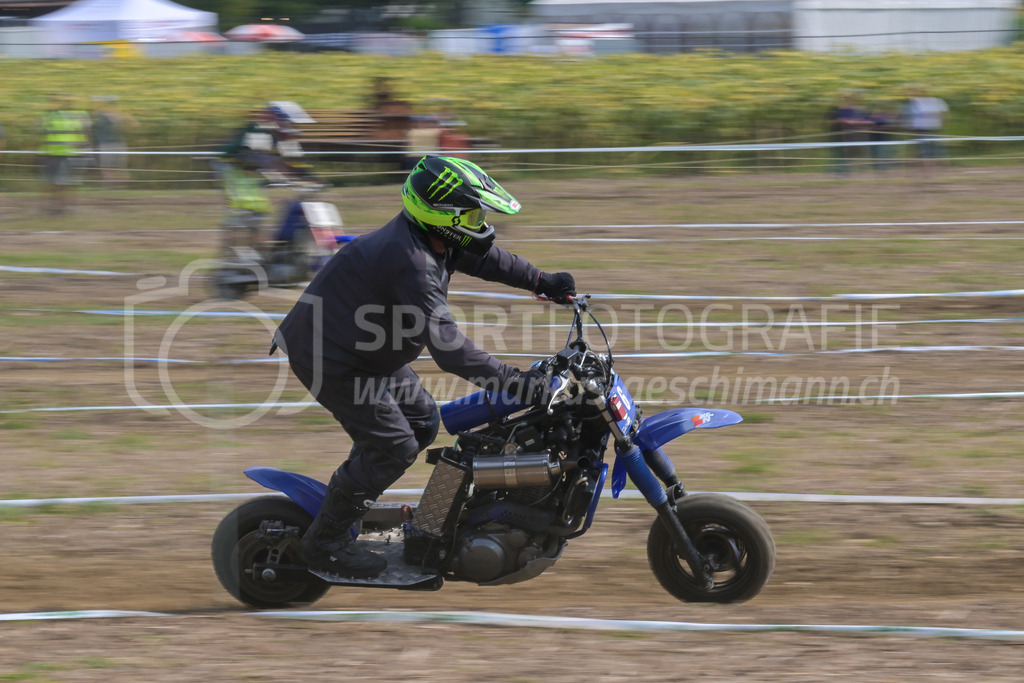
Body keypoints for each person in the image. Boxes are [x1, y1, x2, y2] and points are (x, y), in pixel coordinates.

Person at [272, 155, 577, 579]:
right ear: (441, 216)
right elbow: (450, 349)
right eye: (471, 213)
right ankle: (326, 543)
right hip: (333, 357)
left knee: (422, 423)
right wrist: (519, 384)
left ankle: (354, 502)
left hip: (367, 353)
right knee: (394, 446)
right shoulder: (410, 262)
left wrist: (541, 280)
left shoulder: (434, 238)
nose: (480, 220)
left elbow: (488, 260)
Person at [218, 101, 315, 252]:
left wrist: (312, 179)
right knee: (245, 207)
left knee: (260, 209)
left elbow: (296, 161)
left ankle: (254, 248)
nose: (291, 127)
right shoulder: (259, 130)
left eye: (293, 124)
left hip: (251, 170)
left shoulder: (284, 135)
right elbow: (262, 158)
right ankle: (231, 249)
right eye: (288, 122)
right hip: (232, 165)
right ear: (276, 119)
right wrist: (282, 174)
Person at [39, 94, 90, 214]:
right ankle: (58, 206)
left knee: (61, 183)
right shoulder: (51, 116)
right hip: (56, 153)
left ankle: (59, 207)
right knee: (57, 183)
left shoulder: (52, 116)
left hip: (65, 154)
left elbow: (84, 134)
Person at [91, 96, 137, 187]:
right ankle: (110, 187)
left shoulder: (117, 116)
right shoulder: (99, 116)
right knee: (108, 168)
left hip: (113, 144)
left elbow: (134, 124)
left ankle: (119, 187)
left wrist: (122, 127)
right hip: (108, 144)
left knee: (115, 168)